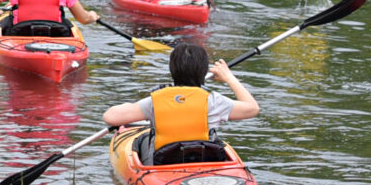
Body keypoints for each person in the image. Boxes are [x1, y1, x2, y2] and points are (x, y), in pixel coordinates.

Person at [102, 40, 258, 164]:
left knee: (142, 139)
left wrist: (129, 105)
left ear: (172, 69)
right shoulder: (215, 101)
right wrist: (229, 78)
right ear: (204, 71)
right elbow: (252, 108)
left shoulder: (155, 101)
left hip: (164, 164)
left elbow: (110, 117)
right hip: (205, 162)